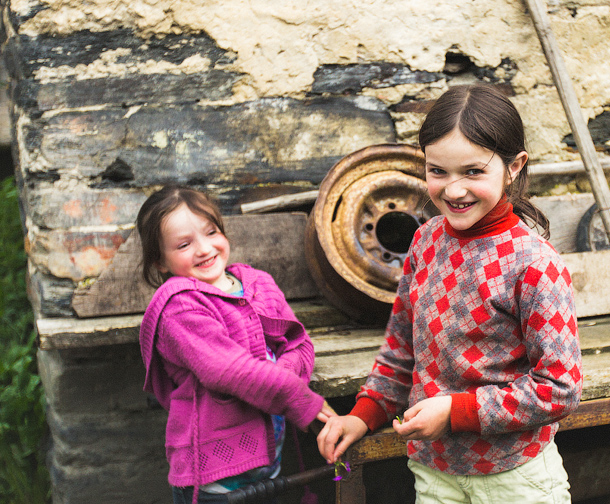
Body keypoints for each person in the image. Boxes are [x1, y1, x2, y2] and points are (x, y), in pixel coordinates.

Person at [317, 83, 583, 503]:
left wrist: (456, 413)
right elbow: (401, 350)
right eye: (437, 171)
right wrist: (363, 414)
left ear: (514, 166)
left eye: (473, 172)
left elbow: (559, 388)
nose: (453, 190)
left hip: (515, 478)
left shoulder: (534, 263)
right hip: (435, 473)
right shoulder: (425, 243)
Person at [136, 185, 333, 504]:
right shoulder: (179, 308)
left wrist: (281, 373)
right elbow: (228, 370)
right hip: (213, 483)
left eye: (211, 232)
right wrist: (295, 396)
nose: (203, 249)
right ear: (160, 261)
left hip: (269, 467)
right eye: (184, 244)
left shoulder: (258, 284)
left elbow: (298, 344)